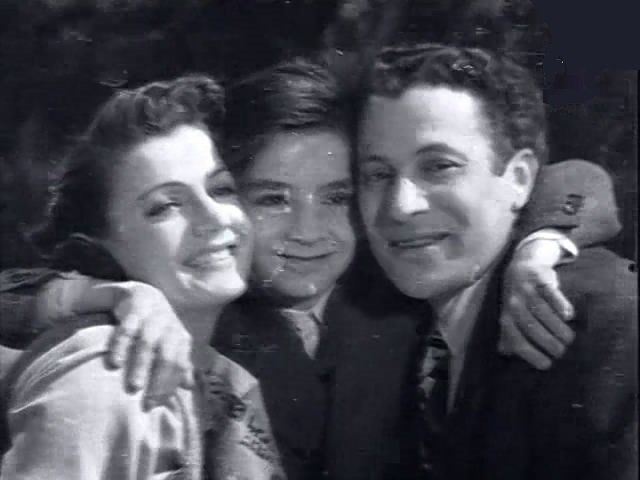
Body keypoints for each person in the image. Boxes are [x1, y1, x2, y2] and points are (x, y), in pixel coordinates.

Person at [0, 57, 625, 480]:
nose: (308, 231)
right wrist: (109, 296)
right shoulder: (199, 304)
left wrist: (543, 240)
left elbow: (570, 179)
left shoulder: (396, 276)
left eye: (336, 196)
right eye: (272, 198)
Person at [326, 43, 636, 480]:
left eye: (439, 167)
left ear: (520, 179)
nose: (400, 206)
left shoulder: (595, 317)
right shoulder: (391, 317)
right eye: (378, 174)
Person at [0, 75, 284, 479]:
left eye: (221, 189)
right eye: (165, 206)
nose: (214, 218)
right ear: (101, 243)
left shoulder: (229, 380)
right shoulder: (106, 372)